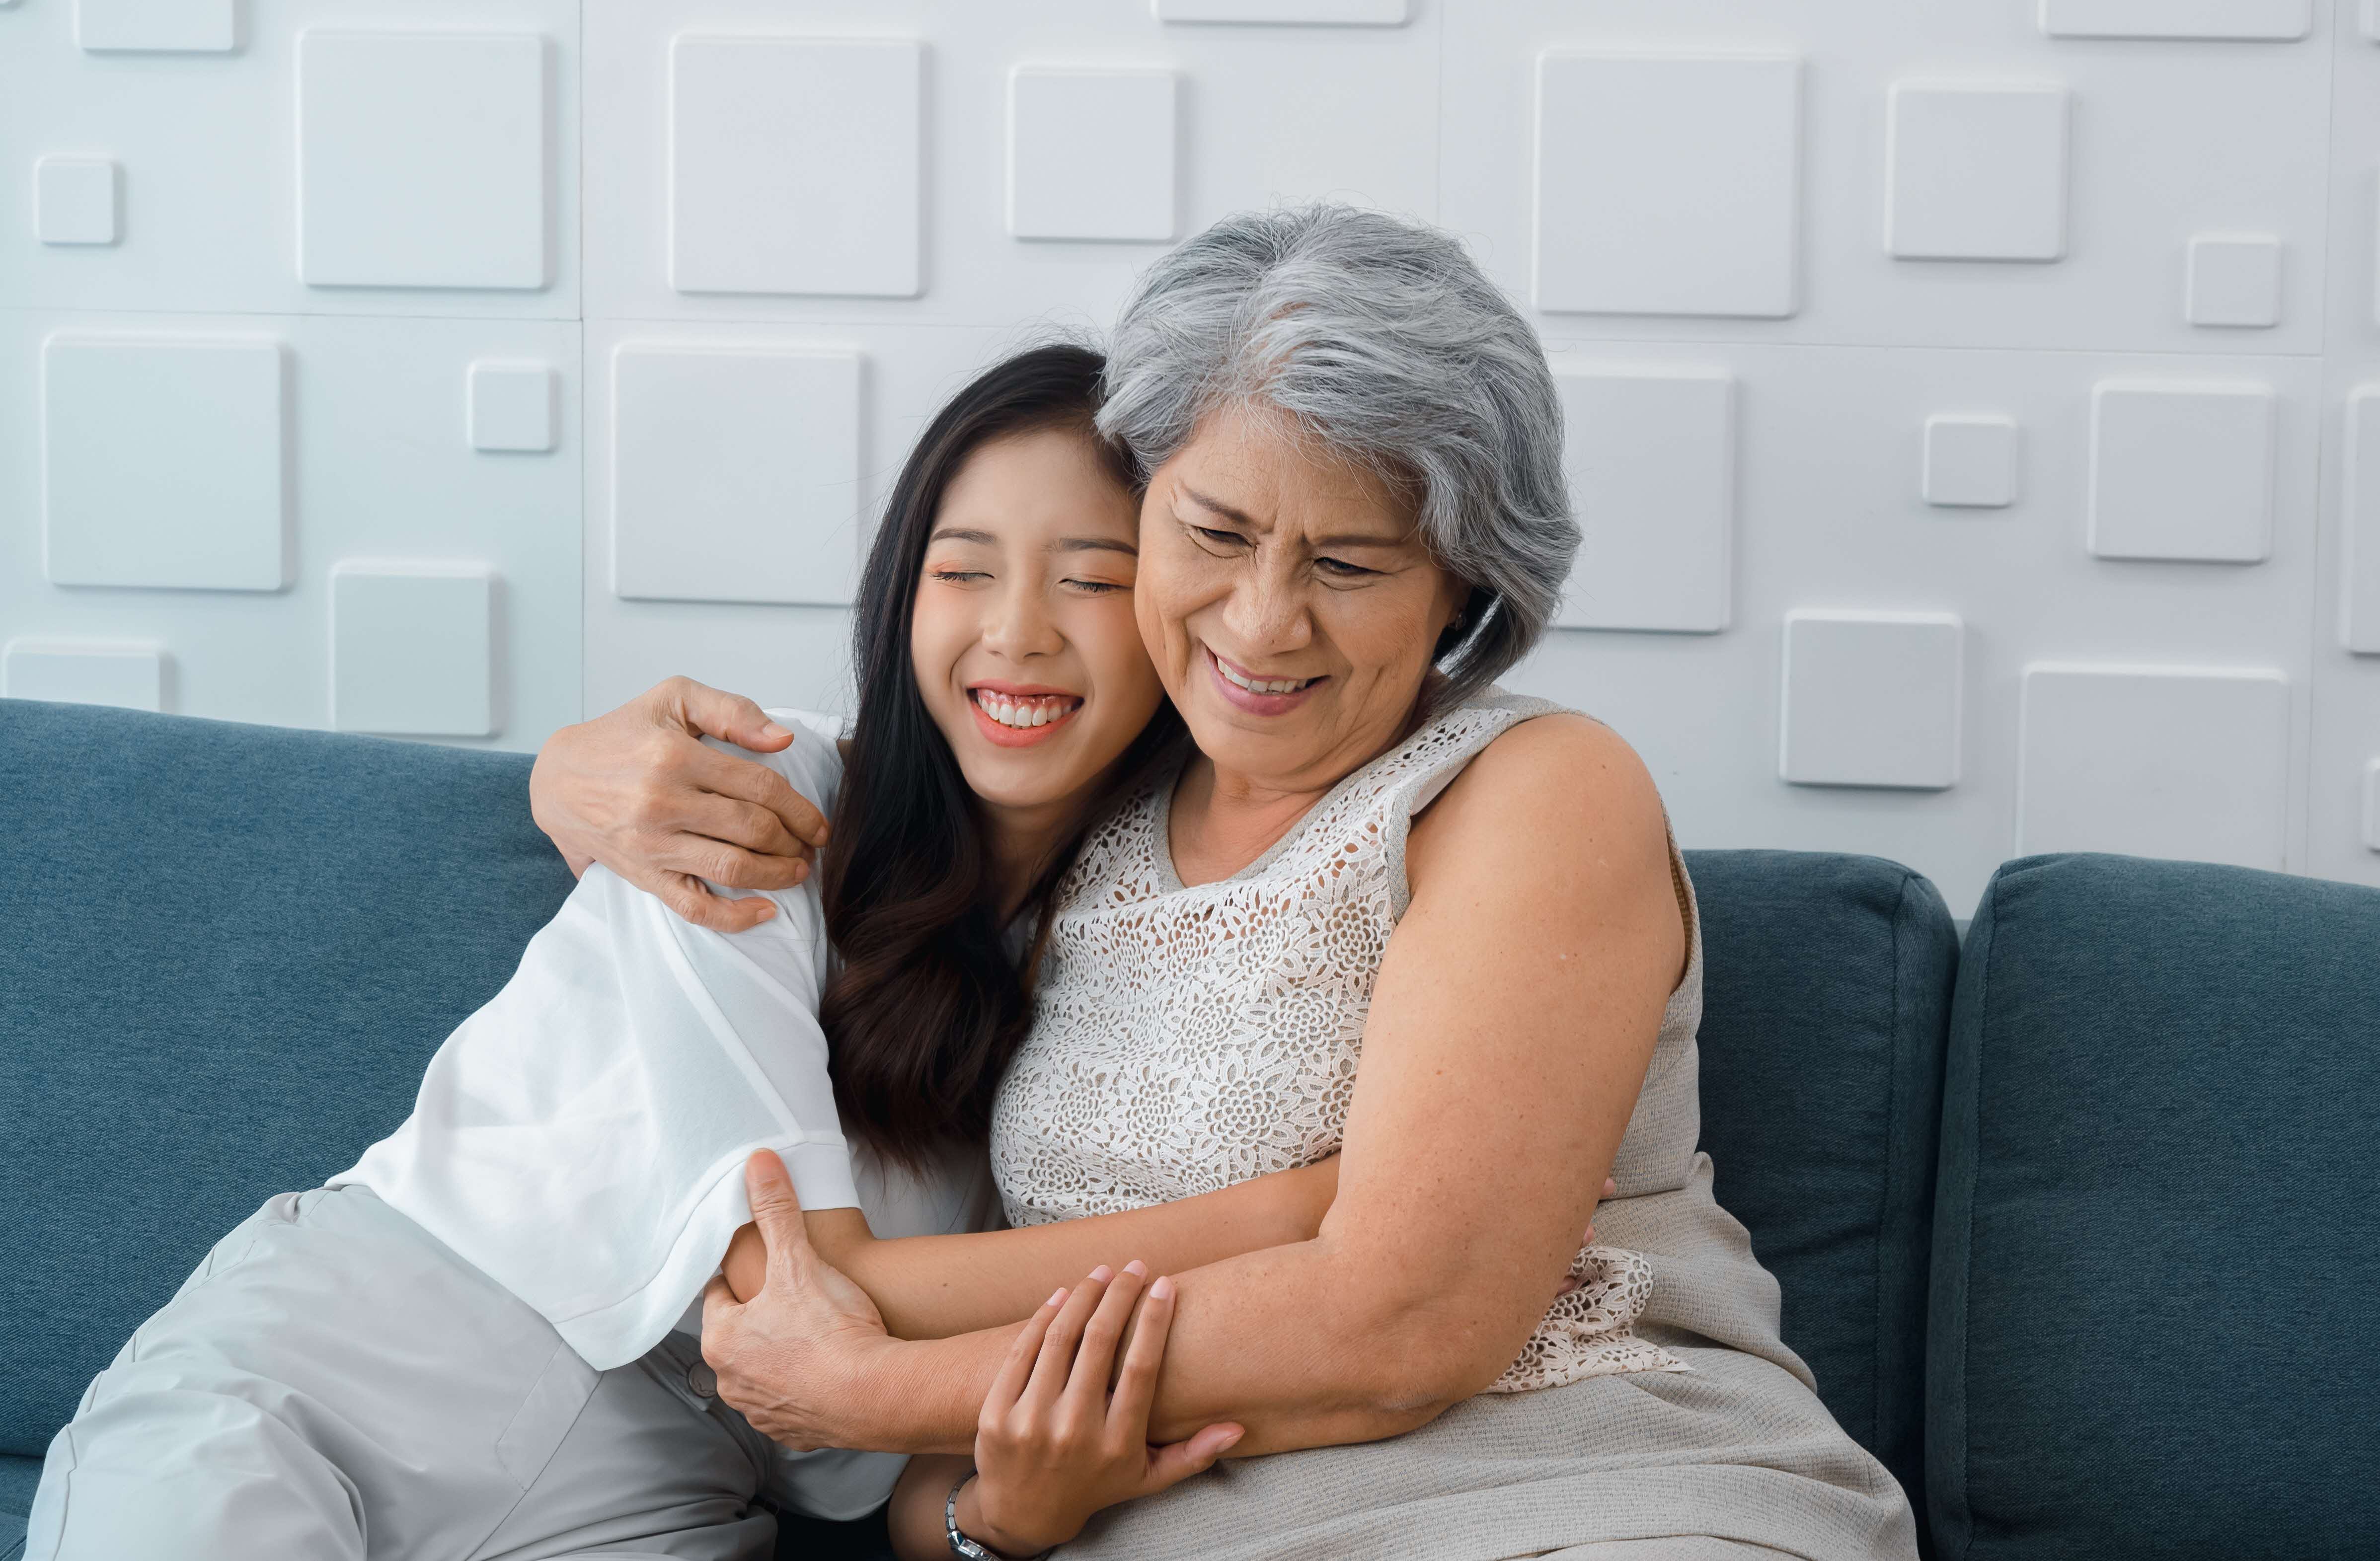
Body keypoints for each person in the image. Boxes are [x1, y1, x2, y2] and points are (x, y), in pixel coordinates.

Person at [547, 206, 1921, 1560]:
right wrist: (565, 771)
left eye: (1347, 561)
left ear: (1462, 588)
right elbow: (956, 1498)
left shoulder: (1533, 789)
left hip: (1603, 1495)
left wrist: (862, 1383)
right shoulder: (1064, 826)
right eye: (1213, 533)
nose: (1264, 621)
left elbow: (1403, 1325)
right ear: (1140, 508)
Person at [23, 347, 1361, 1561]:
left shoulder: (1144, 964)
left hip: (662, 1492)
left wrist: (997, 1519)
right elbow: (789, 1292)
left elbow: (893, 1459)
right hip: (344, 1361)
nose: (1016, 629)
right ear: (905, 597)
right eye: (964, 569)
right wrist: (1293, 1219)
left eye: (1093, 578)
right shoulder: (757, 797)